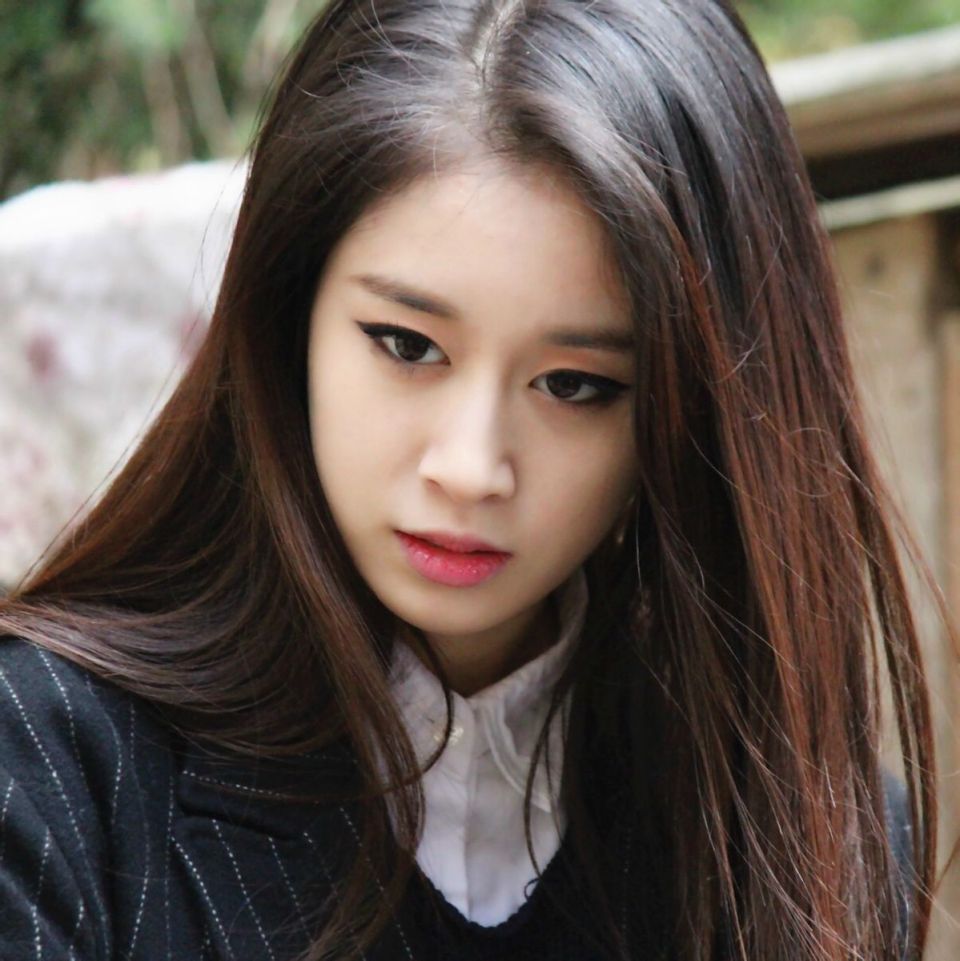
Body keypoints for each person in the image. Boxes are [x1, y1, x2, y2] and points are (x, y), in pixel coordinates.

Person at [0, 0, 946, 958]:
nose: (469, 468)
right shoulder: (51, 769)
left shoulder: (812, 835)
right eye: (408, 345)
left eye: (574, 385)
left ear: (693, 411)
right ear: (289, 315)